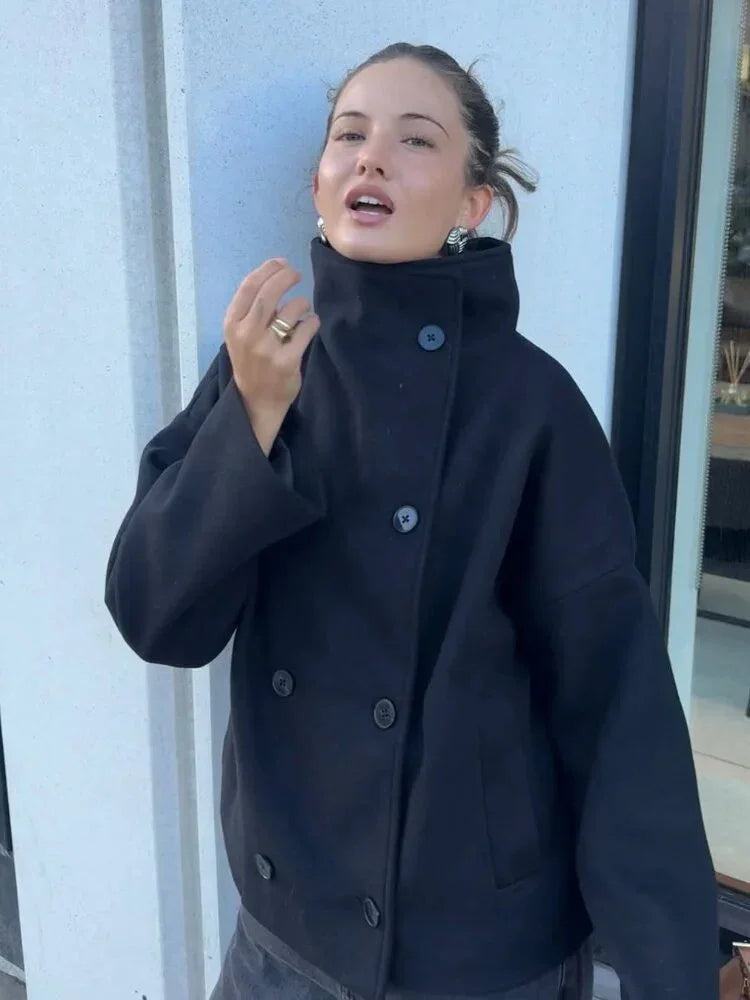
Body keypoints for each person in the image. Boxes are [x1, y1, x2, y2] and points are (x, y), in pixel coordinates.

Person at [105, 43, 719, 1000]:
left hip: (479, 953)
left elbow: (613, 694)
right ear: (320, 183)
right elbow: (156, 617)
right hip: (283, 940)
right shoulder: (264, 371)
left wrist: (674, 966)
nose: (372, 156)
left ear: (473, 205)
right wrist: (249, 421)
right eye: (349, 134)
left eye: (416, 140)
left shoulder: (532, 406)